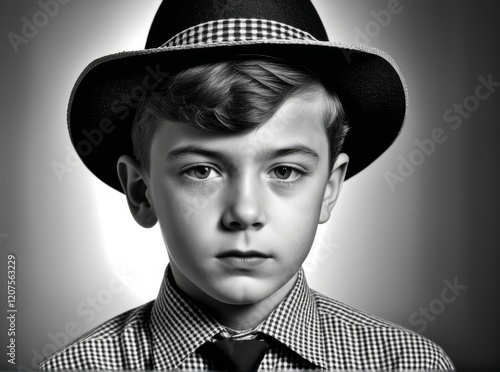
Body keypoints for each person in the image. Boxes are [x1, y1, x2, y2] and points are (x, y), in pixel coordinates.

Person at [39, 0, 455, 370]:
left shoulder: (406, 363)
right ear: (141, 192)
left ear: (329, 189)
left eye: (284, 171)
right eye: (201, 171)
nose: (245, 213)